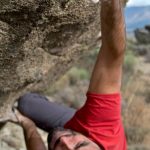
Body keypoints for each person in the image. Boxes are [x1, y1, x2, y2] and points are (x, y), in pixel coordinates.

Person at [12, 0, 127, 149]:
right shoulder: (103, 129)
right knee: (27, 104)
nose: (65, 142)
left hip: (77, 128)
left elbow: (34, 139)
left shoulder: (67, 140)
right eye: (80, 145)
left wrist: (26, 124)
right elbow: (112, 55)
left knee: (24, 108)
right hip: (84, 126)